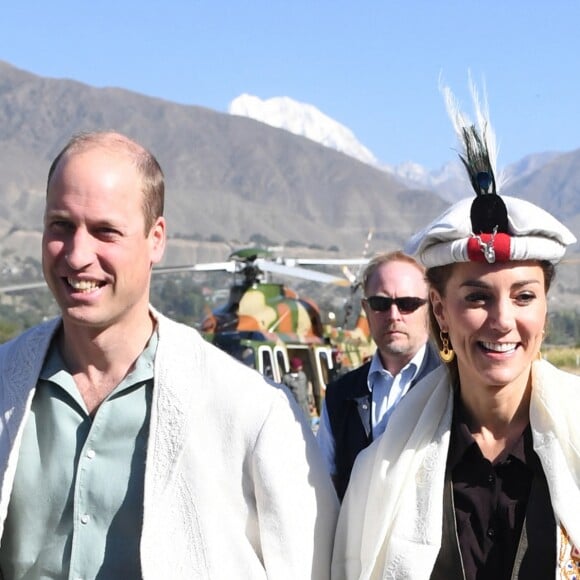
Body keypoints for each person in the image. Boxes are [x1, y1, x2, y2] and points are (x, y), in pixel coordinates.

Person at [0, 131, 339, 579]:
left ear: (156, 239)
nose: (78, 255)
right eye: (61, 225)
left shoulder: (253, 412)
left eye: (105, 231)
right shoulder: (8, 382)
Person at [332, 85, 580, 579]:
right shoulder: (380, 474)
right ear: (441, 312)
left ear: (546, 311)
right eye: (477, 298)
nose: (503, 320)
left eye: (524, 296)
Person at [317, 251, 441, 500]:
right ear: (366, 308)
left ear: (431, 306)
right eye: (381, 304)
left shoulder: (454, 386)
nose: (393, 315)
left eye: (407, 304)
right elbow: (325, 485)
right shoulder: (340, 396)